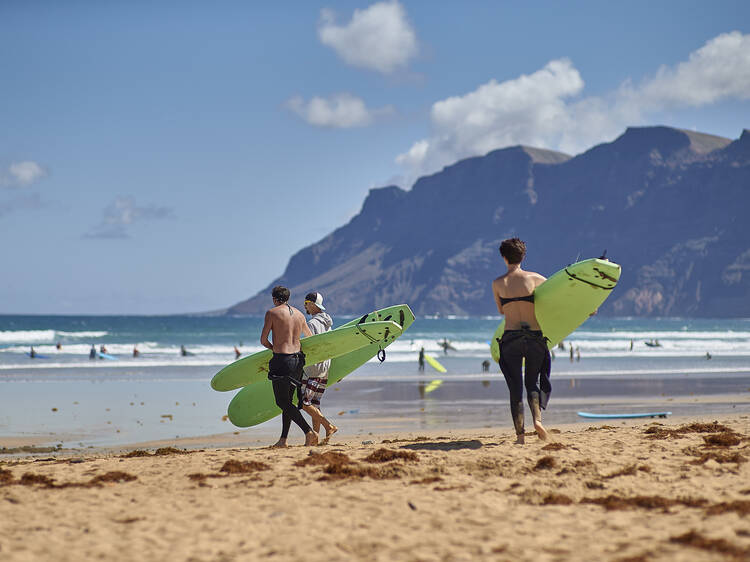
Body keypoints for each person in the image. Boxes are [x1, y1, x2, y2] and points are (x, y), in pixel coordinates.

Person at [492, 237, 550, 444]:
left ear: (504, 257)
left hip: (511, 338)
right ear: (523, 256)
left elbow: (501, 310)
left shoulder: (498, 283)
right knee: (532, 382)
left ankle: (520, 437)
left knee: (515, 387)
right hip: (534, 336)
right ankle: (538, 421)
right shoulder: (535, 279)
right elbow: (557, 298)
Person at [261, 285, 317, 447]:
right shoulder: (300, 315)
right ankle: (283, 440)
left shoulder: (272, 313)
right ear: (288, 298)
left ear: (274, 299)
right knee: (288, 401)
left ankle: (309, 432)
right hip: (298, 360)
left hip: (282, 360)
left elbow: (263, 340)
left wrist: (274, 348)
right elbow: (309, 337)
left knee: (281, 401)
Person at [300, 291, 337, 442]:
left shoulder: (312, 323)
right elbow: (333, 347)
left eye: (306, 304)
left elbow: (312, 347)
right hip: (325, 367)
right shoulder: (328, 323)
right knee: (315, 403)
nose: (305, 308)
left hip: (313, 368)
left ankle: (329, 426)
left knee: (303, 403)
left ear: (312, 305)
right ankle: (315, 436)